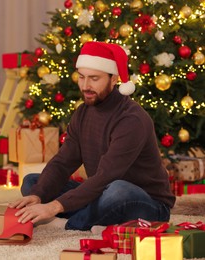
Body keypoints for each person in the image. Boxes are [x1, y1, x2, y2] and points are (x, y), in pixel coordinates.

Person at [9, 41, 175, 231]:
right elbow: (64, 161)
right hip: (101, 191)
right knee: (33, 182)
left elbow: (106, 176)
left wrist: (53, 207)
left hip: (146, 202)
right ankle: (95, 218)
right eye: (81, 77)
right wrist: (38, 196)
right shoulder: (83, 112)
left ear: (113, 79)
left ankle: (69, 224)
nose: (85, 86)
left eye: (94, 78)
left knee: (117, 190)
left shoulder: (132, 119)